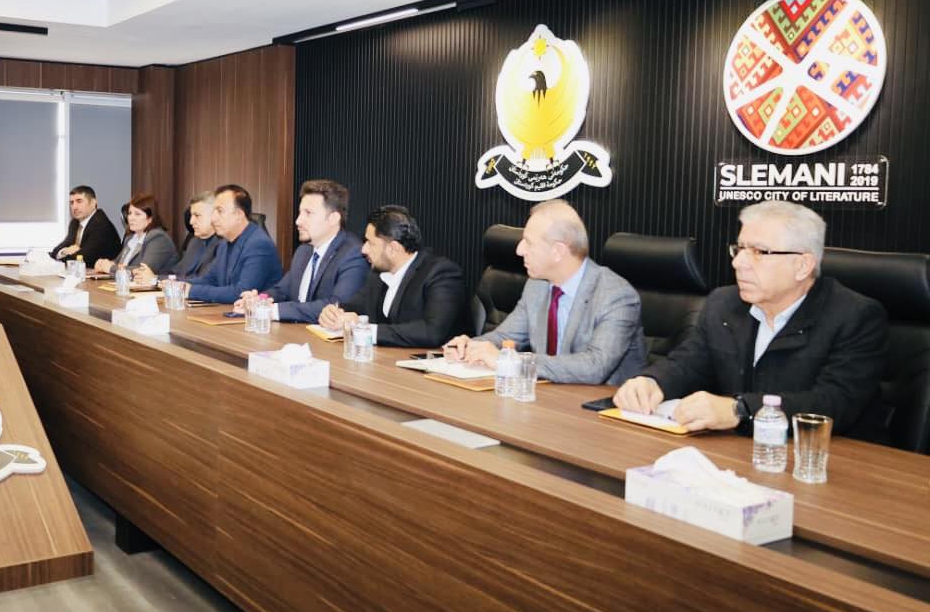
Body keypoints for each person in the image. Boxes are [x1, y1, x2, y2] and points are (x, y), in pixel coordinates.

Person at [613, 201, 887, 435]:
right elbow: (688, 363)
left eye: (758, 252)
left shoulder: (854, 316)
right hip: (742, 453)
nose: (738, 263)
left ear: (803, 265)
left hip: (830, 460)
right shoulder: (723, 304)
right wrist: (652, 382)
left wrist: (741, 409)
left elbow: (832, 403)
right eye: (739, 248)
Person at [443, 200, 645, 384]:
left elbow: (595, 367)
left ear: (557, 251)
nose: (519, 250)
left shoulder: (615, 295)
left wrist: (513, 362)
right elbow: (505, 337)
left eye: (529, 243)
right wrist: (470, 347)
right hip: (547, 397)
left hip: (600, 406)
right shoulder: (537, 285)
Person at [319, 205, 468, 347]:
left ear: (393, 249)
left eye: (370, 243)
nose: (363, 249)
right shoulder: (377, 273)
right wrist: (334, 313)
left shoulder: (441, 273)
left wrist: (366, 330)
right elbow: (355, 306)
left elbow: (432, 332)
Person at [235, 179, 368, 323]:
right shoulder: (303, 250)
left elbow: (337, 306)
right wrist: (259, 300)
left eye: (308, 213)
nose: (298, 221)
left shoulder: (353, 254)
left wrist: (272, 311)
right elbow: (281, 290)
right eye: (300, 213)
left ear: (333, 218)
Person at [185, 184, 282, 304]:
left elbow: (241, 292)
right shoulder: (224, 244)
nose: (213, 218)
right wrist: (179, 285)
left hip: (255, 314)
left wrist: (191, 291)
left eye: (220, 211)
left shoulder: (259, 245)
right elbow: (210, 279)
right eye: (214, 211)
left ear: (239, 215)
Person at [134, 191, 221, 284]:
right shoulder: (194, 242)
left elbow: (200, 280)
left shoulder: (222, 245)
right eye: (191, 215)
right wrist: (149, 276)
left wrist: (155, 279)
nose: (191, 221)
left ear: (214, 216)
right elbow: (175, 273)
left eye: (197, 215)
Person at [94, 193, 178, 275]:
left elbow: (142, 271)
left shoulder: (158, 238)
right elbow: (117, 263)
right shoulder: (130, 238)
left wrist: (111, 268)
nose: (131, 218)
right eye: (130, 213)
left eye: (137, 214)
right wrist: (103, 264)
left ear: (150, 219)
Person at [50, 185, 120, 265]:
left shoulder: (101, 225)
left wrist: (59, 257)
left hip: (105, 272)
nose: (74, 207)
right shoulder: (75, 223)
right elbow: (57, 250)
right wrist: (64, 251)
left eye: (79, 201)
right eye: (72, 203)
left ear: (93, 203)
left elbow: (83, 258)